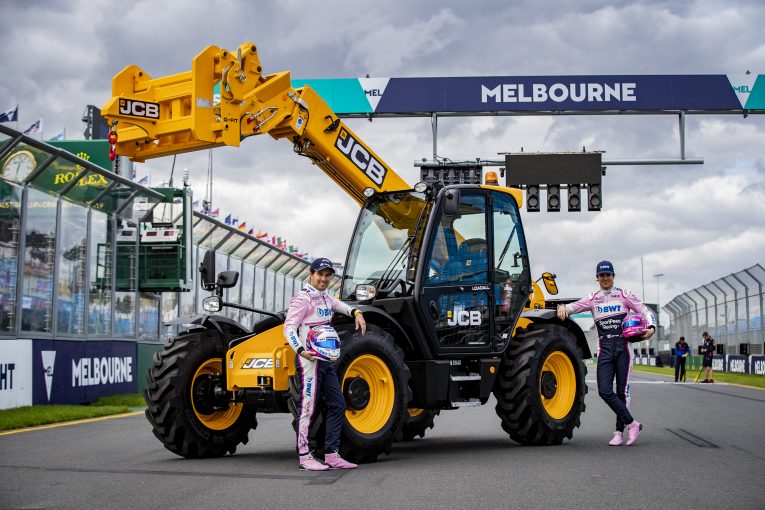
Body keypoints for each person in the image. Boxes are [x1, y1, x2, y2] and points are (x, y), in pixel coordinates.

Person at [557, 260, 655, 446]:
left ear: (613, 276)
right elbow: (573, 307)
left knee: (621, 392)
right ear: (597, 278)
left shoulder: (624, 294)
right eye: (602, 275)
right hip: (605, 347)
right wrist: (563, 308)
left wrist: (651, 327)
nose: (605, 278)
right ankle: (633, 424)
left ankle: (619, 432)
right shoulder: (593, 298)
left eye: (608, 274)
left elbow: (644, 310)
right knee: (604, 391)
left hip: (623, 346)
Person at [284, 257, 366, 471]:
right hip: (308, 360)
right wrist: (301, 351)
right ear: (311, 274)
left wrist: (357, 313)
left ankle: (331, 454)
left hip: (325, 360)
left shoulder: (326, 298)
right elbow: (289, 328)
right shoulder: (303, 299)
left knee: (338, 404)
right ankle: (304, 455)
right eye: (320, 274)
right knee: (307, 407)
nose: (324, 278)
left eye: (328, 275)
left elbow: (342, 306)